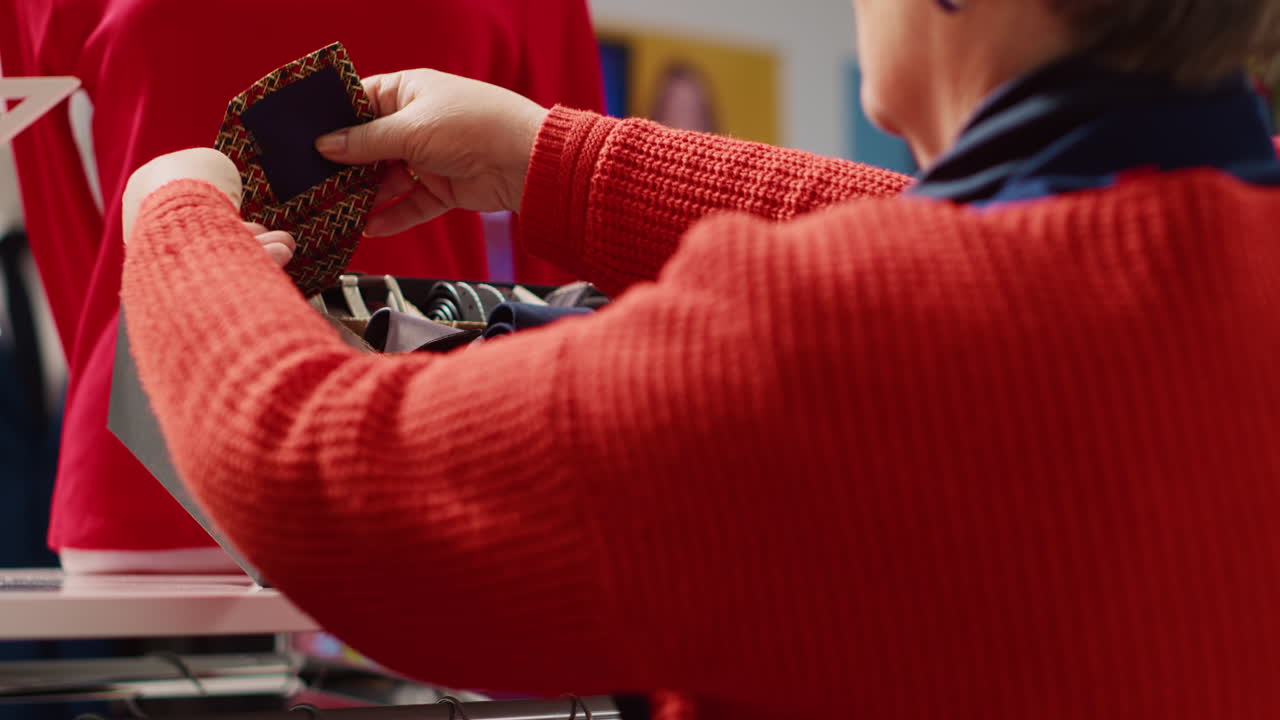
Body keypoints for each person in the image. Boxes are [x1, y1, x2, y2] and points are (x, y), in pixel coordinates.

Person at [119, 0, 1280, 717]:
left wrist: (177, 224)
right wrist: (555, 161)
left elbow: (321, 477)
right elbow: (1019, 241)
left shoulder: (829, 353)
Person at [0, 0, 604, 573]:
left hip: (432, 447)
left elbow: (569, 211)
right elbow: (58, 208)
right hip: (149, 465)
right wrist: (122, 351)